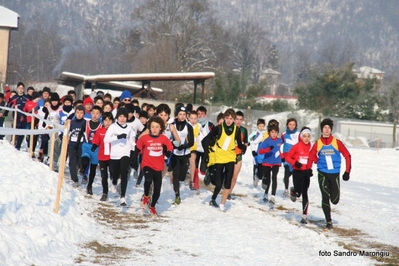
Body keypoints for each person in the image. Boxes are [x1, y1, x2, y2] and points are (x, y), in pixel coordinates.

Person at [306, 118, 351, 230]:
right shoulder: (318, 143)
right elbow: (311, 156)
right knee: (325, 196)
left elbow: (347, 156)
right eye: (324, 127)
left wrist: (347, 172)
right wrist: (308, 169)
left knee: (335, 200)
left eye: (328, 128)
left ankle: (333, 195)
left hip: (334, 174)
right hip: (322, 173)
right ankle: (329, 221)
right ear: (322, 129)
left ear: (331, 130)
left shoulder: (337, 142)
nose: (326, 130)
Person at [205, 108, 246, 211]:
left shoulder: (236, 130)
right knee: (218, 183)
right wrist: (209, 147)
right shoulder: (219, 128)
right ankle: (213, 198)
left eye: (231, 119)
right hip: (219, 157)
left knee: (228, 181)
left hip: (230, 157)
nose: (229, 121)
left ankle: (222, 204)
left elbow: (239, 143)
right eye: (227, 118)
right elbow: (208, 138)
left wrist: (243, 147)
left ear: (234, 119)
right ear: (224, 118)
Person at [137, 116, 173, 216]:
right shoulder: (145, 138)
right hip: (147, 164)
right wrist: (133, 160)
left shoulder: (164, 139)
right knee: (148, 180)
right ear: (150, 128)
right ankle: (146, 196)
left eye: (157, 127)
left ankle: (152, 206)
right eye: (152, 127)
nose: (155, 129)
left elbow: (169, 151)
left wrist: (167, 152)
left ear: (161, 128)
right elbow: (138, 148)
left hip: (158, 166)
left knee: (157, 190)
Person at [104, 108, 136, 206]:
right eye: (120, 116)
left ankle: (123, 197)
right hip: (114, 154)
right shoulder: (113, 127)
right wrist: (117, 137)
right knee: (114, 172)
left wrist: (134, 150)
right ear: (117, 117)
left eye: (124, 117)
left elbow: (131, 141)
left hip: (125, 152)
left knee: (124, 172)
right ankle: (114, 182)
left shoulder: (130, 128)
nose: (122, 119)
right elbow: (106, 139)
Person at [285, 127, 313, 224]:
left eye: (308, 136)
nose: (306, 138)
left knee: (305, 192)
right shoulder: (296, 146)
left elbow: (315, 158)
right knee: (298, 193)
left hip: (306, 172)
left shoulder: (312, 147)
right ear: (301, 137)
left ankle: (304, 215)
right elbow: (287, 157)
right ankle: (294, 191)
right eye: (304, 136)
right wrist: (295, 162)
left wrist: (310, 169)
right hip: (297, 171)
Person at [170, 106, 194, 205]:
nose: (182, 116)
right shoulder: (172, 125)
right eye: (180, 114)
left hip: (185, 154)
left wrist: (183, 146)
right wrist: (174, 145)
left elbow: (192, 142)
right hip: (175, 154)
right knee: (176, 175)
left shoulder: (189, 127)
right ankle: (177, 196)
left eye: (184, 114)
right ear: (177, 115)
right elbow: (169, 138)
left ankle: (178, 180)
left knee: (182, 177)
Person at [75, 106, 103, 187]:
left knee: (93, 168)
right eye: (93, 113)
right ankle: (83, 171)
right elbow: (80, 133)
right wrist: (77, 143)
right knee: (85, 160)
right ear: (91, 113)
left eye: (97, 113)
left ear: (100, 115)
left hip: (96, 148)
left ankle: (89, 185)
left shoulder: (101, 126)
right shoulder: (86, 123)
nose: (95, 115)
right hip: (86, 145)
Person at [257, 124, 283, 204]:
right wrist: (268, 149)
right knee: (267, 179)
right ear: (269, 133)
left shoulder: (280, 141)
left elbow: (280, 150)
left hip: (276, 162)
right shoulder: (266, 141)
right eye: (272, 132)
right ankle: (265, 193)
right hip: (267, 162)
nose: (274, 134)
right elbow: (260, 151)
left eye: (275, 132)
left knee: (274, 177)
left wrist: (283, 157)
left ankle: (273, 196)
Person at [91, 112, 114, 201]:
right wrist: (94, 146)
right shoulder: (100, 131)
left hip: (112, 156)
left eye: (109, 120)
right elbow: (96, 141)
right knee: (104, 176)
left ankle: (115, 182)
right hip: (102, 156)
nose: (108, 122)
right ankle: (105, 193)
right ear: (103, 121)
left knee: (113, 173)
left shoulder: (115, 131)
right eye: (106, 120)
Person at [4, 82, 30, 150]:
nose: (21, 90)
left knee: (22, 131)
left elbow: (31, 105)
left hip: (24, 116)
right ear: (17, 89)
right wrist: (5, 112)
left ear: (24, 89)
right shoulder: (15, 97)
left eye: (22, 88)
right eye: (19, 88)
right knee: (17, 130)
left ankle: (18, 145)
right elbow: (9, 104)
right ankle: (14, 142)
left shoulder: (27, 97)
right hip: (16, 116)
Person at [229, 111, 248, 199]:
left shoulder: (244, 130)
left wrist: (244, 147)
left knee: (234, 176)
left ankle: (228, 192)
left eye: (240, 119)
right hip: (228, 155)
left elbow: (246, 142)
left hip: (238, 155)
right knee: (227, 174)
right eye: (237, 119)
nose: (238, 121)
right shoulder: (229, 128)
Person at [68, 105, 86, 187]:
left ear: (84, 114)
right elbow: (67, 132)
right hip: (72, 144)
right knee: (72, 162)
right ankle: (74, 180)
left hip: (81, 145)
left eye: (81, 113)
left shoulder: (85, 123)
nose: (79, 115)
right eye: (77, 113)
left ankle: (81, 169)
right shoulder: (71, 122)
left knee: (80, 162)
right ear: (75, 113)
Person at [281, 118, 299, 197]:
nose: (291, 126)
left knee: (292, 172)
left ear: (296, 125)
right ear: (287, 125)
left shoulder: (299, 134)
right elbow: (278, 144)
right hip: (286, 157)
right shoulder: (284, 134)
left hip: (294, 157)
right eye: (290, 124)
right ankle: (286, 189)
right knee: (287, 170)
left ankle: (286, 178)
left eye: (293, 124)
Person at [249, 118, 266, 188]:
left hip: (261, 152)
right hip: (255, 151)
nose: (261, 127)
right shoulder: (255, 133)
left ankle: (259, 175)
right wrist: (252, 142)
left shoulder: (264, 134)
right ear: (257, 126)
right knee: (255, 164)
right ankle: (254, 178)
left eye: (262, 126)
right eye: (260, 126)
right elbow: (249, 138)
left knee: (261, 165)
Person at [188, 110, 200, 191]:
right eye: (191, 118)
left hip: (194, 148)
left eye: (195, 118)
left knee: (192, 161)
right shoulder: (186, 125)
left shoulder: (198, 126)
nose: (193, 120)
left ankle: (192, 181)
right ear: (188, 118)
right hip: (185, 147)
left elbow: (205, 134)